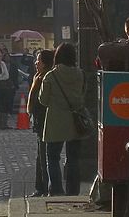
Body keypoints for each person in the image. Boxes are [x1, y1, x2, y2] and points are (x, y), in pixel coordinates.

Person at [39, 43, 84, 196]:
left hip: (55, 122)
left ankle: (57, 190)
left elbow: (43, 100)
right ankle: (73, 191)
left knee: (52, 157)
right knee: (73, 159)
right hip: (74, 121)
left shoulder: (51, 76)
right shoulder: (80, 74)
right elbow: (82, 96)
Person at [28, 49, 54, 197]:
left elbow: (42, 102)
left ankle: (45, 188)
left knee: (45, 157)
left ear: (45, 64)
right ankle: (40, 187)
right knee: (40, 156)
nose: (36, 63)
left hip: (45, 122)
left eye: (39, 60)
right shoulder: (38, 77)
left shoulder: (46, 78)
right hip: (39, 122)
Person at [0, 48, 12, 129]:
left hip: (4, 86)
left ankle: (4, 124)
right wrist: (0, 77)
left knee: (5, 105)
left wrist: (0, 77)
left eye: (0, 55)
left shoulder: (3, 64)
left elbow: (6, 75)